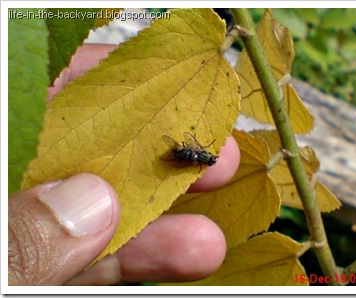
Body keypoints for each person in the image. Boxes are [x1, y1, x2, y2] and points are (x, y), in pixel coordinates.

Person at [8, 44, 240, 286]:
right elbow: (194, 150)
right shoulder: (197, 158)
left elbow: (194, 149)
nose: (209, 157)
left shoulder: (196, 157)